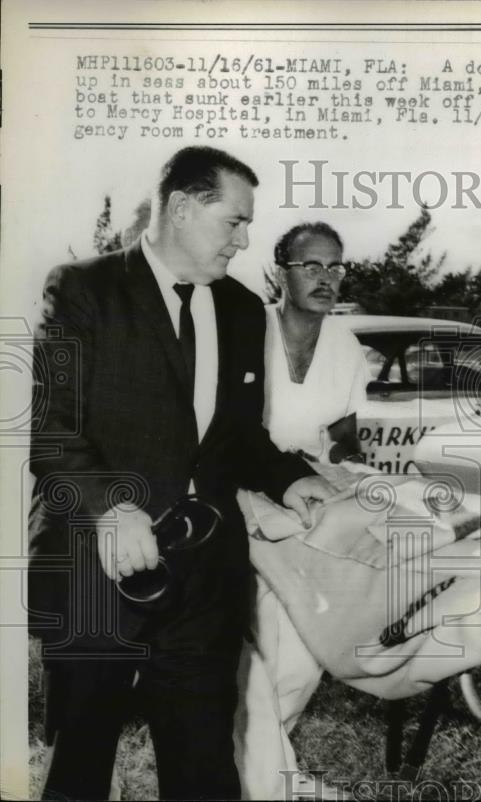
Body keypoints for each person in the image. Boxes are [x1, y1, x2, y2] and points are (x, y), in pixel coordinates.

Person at [29, 146, 334, 801]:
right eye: (234, 221)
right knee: (81, 765)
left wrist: (290, 479)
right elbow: (54, 433)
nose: (245, 239)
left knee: (203, 769)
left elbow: (238, 439)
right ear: (183, 207)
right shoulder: (84, 289)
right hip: (96, 571)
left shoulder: (245, 310)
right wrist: (112, 508)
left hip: (203, 580)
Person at [235, 222, 369, 800]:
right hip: (239, 495)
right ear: (279, 270)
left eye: (336, 267)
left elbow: (344, 440)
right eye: (310, 266)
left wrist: (347, 475)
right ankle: (266, 780)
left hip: (308, 501)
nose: (326, 279)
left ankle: (256, 772)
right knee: (260, 640)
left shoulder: (345, 345)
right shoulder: (246, 329)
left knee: (303, 643)